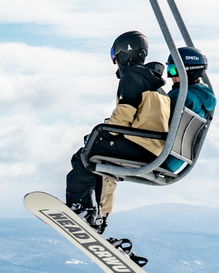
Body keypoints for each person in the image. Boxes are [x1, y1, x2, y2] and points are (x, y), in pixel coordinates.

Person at [64, 30, 169, 240]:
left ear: (124, 52)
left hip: (139, 145)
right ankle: (99, 216)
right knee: (103, 163)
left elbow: (124, 115)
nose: (114, 59)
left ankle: (81, 207)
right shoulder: (157, 87)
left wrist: (102, 133)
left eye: (114, 54)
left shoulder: (133, 78)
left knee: (84, 156)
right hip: (154, 148)